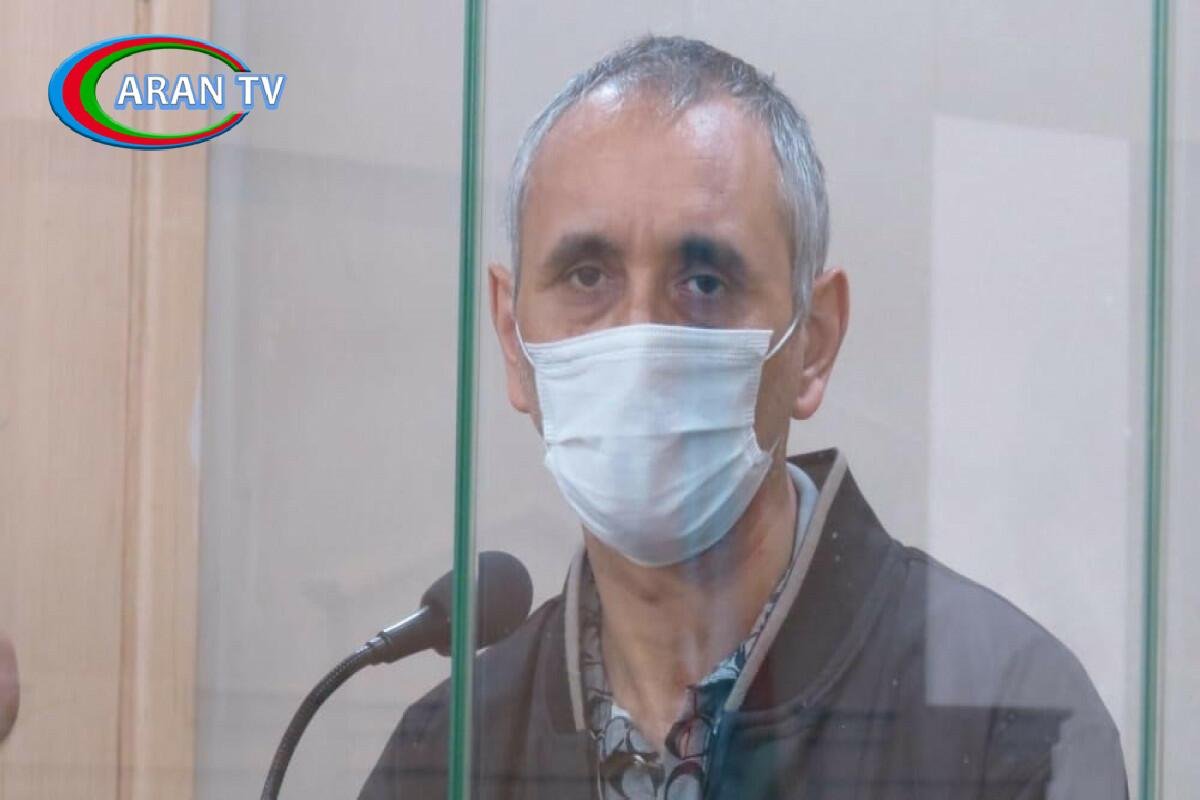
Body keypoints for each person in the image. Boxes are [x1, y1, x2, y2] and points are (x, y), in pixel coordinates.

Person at [361, 35, 1127, 799]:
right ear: (512, 336)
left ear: (813, 343)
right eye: (587, 275)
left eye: (703, 281)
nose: (640, 341)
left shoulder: (1006, 723)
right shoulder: (445, 753)